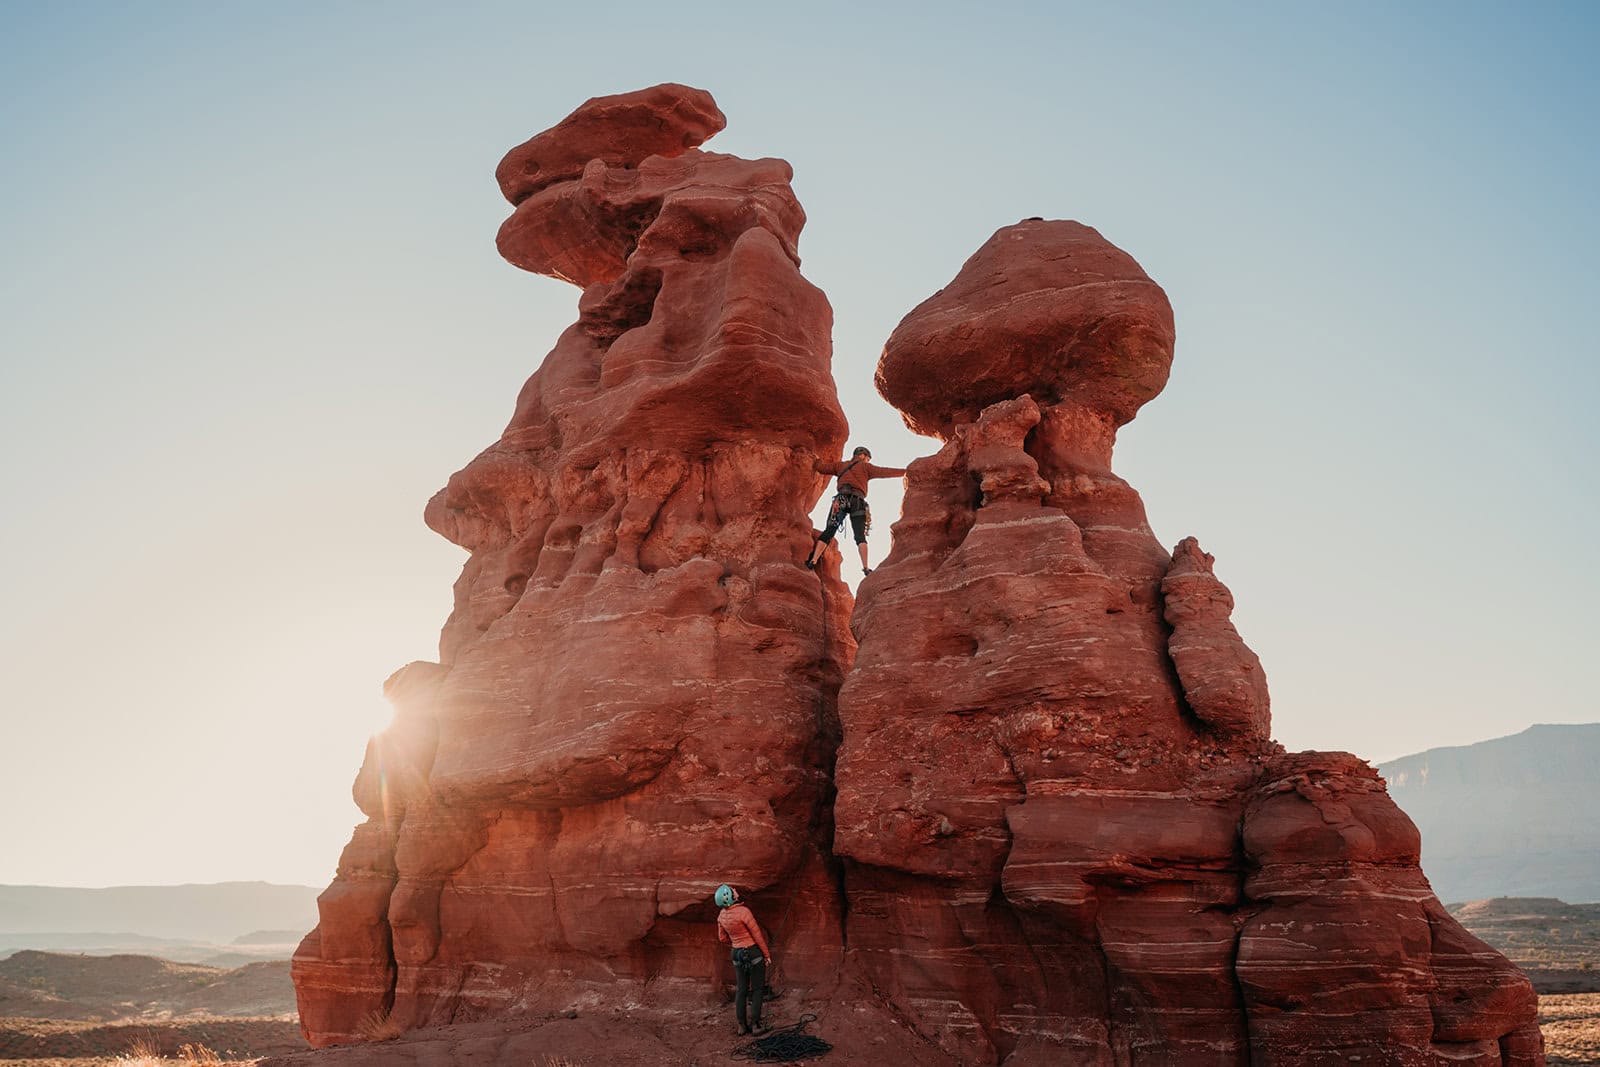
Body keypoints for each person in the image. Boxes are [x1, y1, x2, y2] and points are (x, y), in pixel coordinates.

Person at [805, 446, 906, 575]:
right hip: (857, 502)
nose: (868, 461)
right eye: (868, 458)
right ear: (863, 455)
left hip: (840, 500)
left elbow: (821, 468)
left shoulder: (840, 466)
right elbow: (884, 472)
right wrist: (906, 471)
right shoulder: (866, 467)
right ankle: (865, 567)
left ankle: (813, 561)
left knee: (829, 531)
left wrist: (816, 459)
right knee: (860, 536)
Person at [715, 883, 772, 1036]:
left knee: (741, 989)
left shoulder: (721, 915)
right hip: (752, 951)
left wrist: (735, 942)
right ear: (729, 897)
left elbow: (722, 938)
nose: (735, 891)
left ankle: (741, 1026)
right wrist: (766, 955)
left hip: (736, 952)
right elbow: (757, 936)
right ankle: (756, 1026)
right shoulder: (744, 912)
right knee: (758, 988)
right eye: (732, 891)